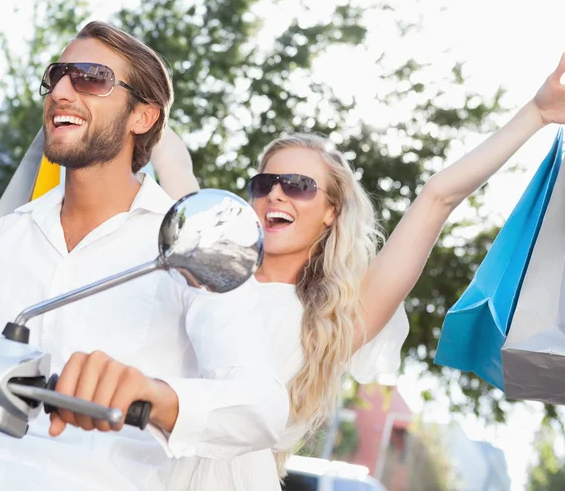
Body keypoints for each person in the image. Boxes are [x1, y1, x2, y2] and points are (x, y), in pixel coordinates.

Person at [150, 53, 565, 490]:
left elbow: (438, 197)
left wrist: (536, 113)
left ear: (332, 212)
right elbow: (174, 163)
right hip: (137, 464)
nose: (276, 194)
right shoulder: (209, 266)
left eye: (298, 186)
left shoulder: (335, 319)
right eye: (264, 184)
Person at [0, 21, 289, 491]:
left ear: (144, 117)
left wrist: (152, 394)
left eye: (90, 77)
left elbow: (263, 408)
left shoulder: (192, 245)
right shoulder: (3, 238)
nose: (60, 91)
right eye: (56, 76)